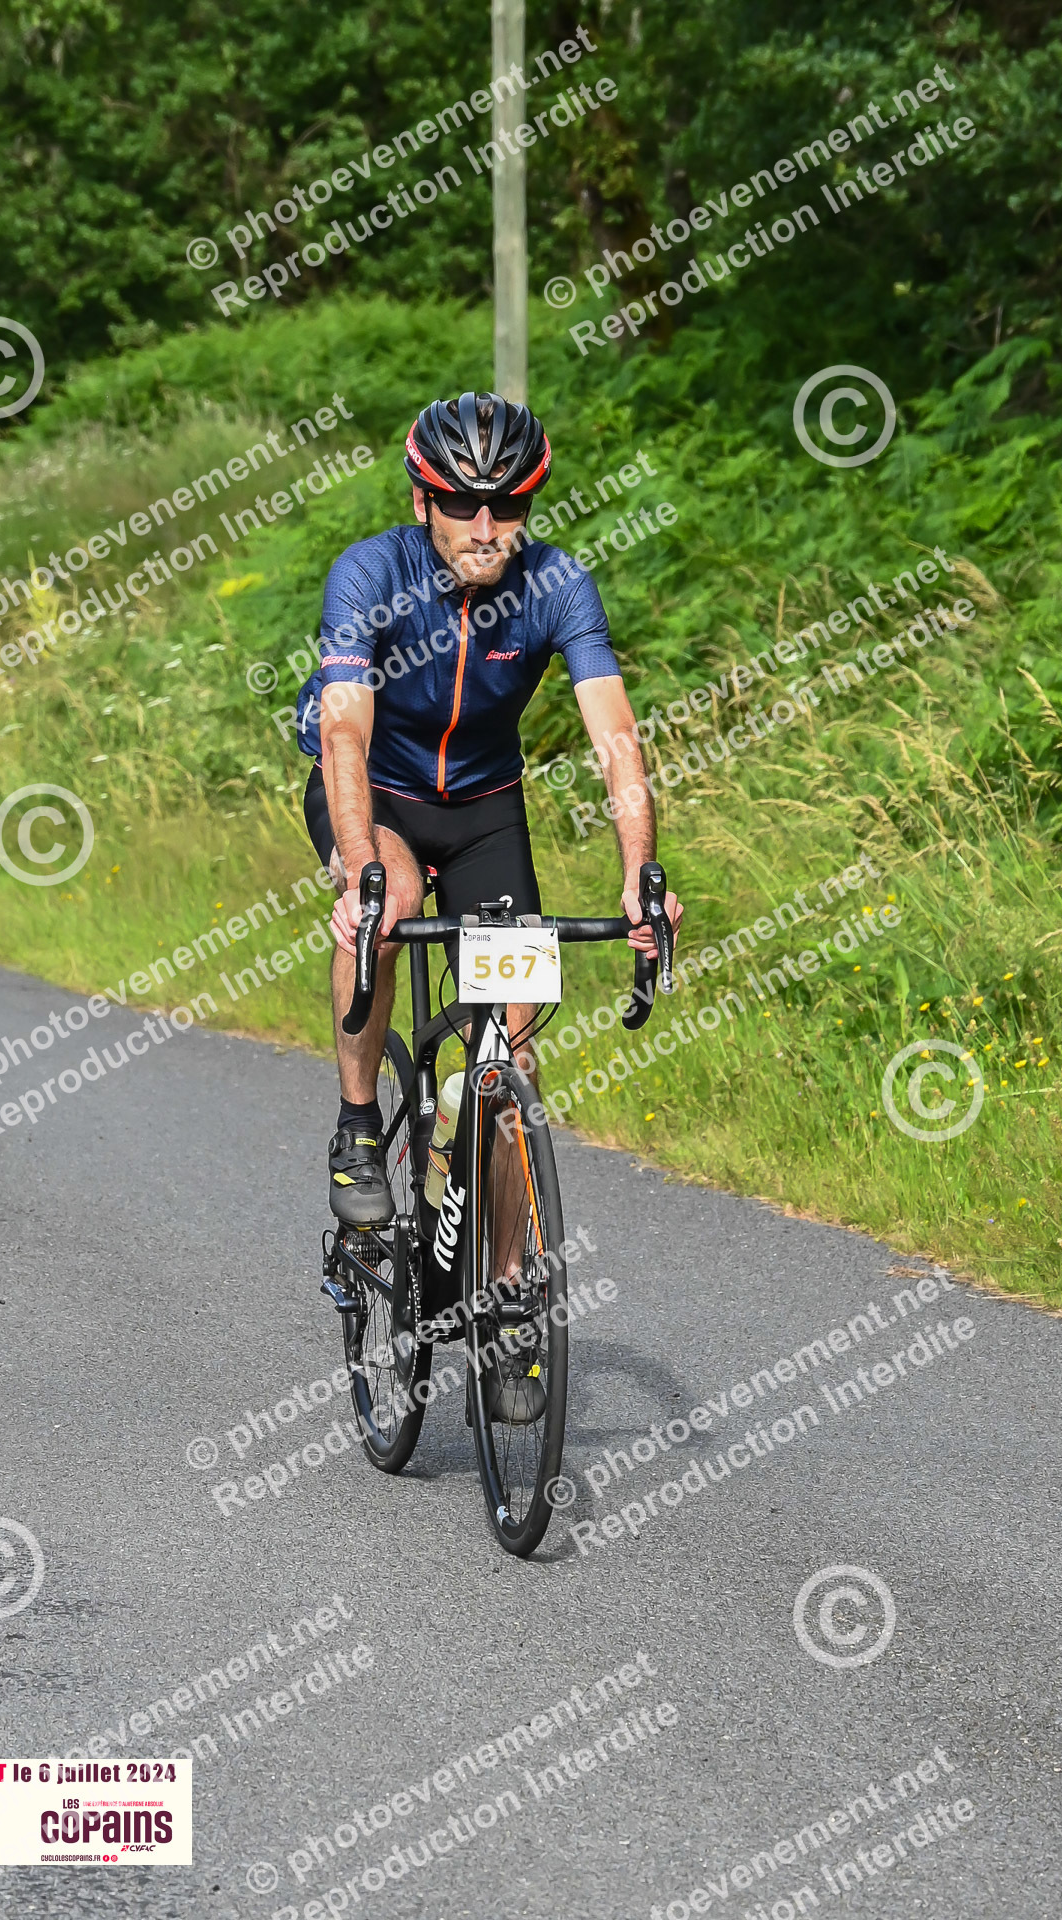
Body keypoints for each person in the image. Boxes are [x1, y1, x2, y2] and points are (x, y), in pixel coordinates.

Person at [296, 391, 682, 1408]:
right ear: (421, 501)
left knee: (509, 1042)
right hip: (375, 793)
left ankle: (505, 1294)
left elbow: (615, 739)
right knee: (391, 902)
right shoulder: (369, 573)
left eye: (505, 505)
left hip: (482, 809)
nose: (483, 526)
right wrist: (356, 865)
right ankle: (356, 1126)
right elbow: (343, 730)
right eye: (462, 504)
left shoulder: (557, 584)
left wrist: (641, 874)